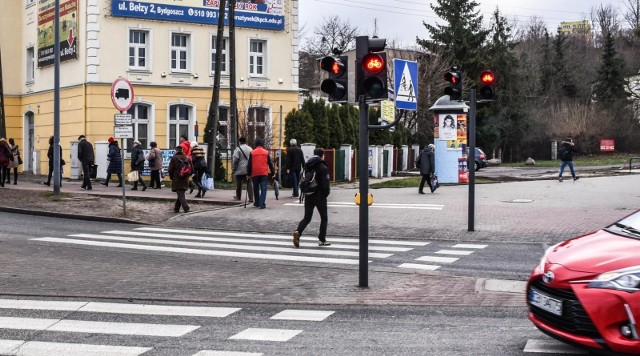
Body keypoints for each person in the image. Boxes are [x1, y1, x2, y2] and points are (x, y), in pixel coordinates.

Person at [292, 147, 331, 247]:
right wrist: (325, 194)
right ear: (322, 156)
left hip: (308, 194)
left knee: (307, 218)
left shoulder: (307, 165)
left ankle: (298, 232)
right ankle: (322, 240)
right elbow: (325, 184)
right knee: (324, 218)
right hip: (319, 195)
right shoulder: (323, 167)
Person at [247, 138, 274, 209]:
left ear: (255, 144)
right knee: (263, 188)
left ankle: (257, 203)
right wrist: (273, 172)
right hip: (264, 172)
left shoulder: (252, 152)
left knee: (256, 188)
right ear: (262, 144)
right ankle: (262, 204)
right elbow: (270, 163)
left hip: (255, 173)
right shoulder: (266, 152)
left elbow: (249, 164)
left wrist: (248, 174)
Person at [168, 146, 193, 213]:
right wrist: (186, 175)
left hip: (177, 178)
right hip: (185, 179)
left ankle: (186, 208)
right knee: (181, 193)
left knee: (180, 194)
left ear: (176, 151)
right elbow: (192, 170)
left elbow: (170, 170)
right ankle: (176, 208)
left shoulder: (174, 158)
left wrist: (171, 177)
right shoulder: (187, 158)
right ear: (182, 151)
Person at [232, 137, 254, 203]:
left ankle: (238, 196)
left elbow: (236, 159)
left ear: (239, 142)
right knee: (249, 183)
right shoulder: (250, 148)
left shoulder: (238, 149)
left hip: (239, 169)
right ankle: (251, 198)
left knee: (239, 183)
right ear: (245, 141)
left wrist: (234, 168)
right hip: (248, 169)